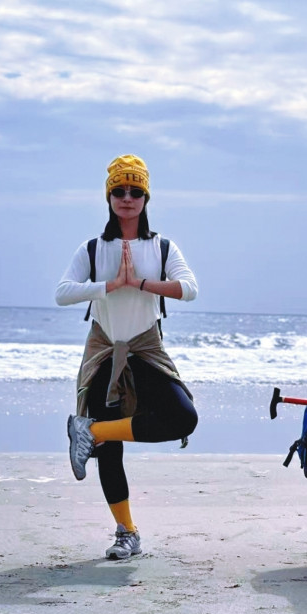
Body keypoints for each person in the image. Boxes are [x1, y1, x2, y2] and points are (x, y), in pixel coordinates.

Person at [55, 154, 199, 560]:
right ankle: (126, 532)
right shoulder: (92, 248)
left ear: (146, 197)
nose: (127, 197)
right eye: (119, 190)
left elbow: (190, 289)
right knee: (110, 454)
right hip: (105, 351)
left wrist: (139, 282)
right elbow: (62, 292)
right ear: (108, 196)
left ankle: (92, 431)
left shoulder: (162, 246)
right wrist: (110, 285)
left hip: (145, 349)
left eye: (135, 191)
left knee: (183, 417)